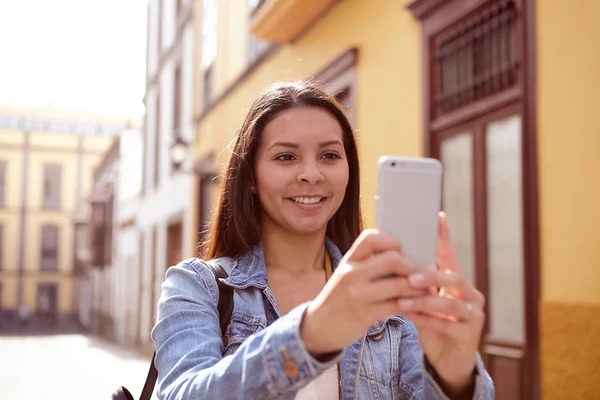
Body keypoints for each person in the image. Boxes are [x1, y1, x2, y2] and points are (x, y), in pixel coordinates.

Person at [151, 80, 494, 399]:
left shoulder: (389, 296)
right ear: (251, 177)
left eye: (329, 155)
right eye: (286, 157)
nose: (312, 175)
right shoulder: (198, 287)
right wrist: (311, 334)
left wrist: (456, 380)